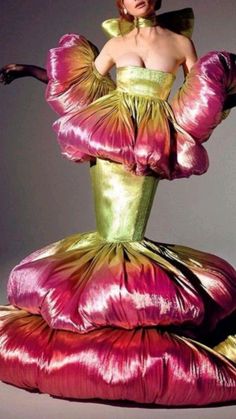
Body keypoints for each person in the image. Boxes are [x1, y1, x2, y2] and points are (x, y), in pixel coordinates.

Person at [0, 0, 236, 406]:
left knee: (127, 235)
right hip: (109, 141)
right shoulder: (115, 45)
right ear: (121, 3)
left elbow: (203, 95)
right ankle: (99, 322)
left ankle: (128, 322)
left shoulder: (180, 43)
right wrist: (27, 71)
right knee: (111, 233)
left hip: (150, 141)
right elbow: (79, 90)